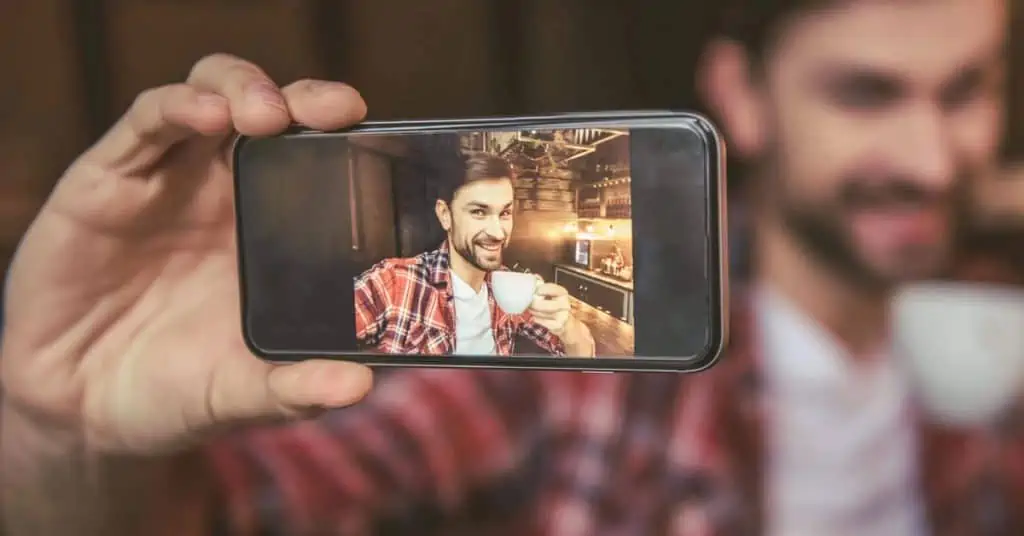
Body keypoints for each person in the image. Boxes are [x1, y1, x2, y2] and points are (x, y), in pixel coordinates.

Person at [1, 2, 1020, 536]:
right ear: (740, 98)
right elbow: (239, 511)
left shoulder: (984, 342)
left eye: (966, 88)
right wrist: (68, 439)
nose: (932, 157)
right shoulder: (563, 376)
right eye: (866, 93)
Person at [353, 152, 594, 356]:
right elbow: (321, 345)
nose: (497, 232)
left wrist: (568, 327)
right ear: (445, 214)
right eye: (479, 212)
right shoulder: (396, 281)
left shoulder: (510, 290)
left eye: (505, 213)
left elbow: (582, 354)